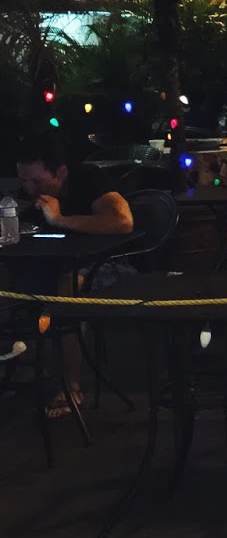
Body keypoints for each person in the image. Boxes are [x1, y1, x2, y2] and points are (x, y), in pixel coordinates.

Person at [14, 130, 135, 414]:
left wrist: (60, 219)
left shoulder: (88, 179)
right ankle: (23, 367)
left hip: (108, 266)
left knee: (66, 287)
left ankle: (71, 386)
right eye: (23, 181)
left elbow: (123, 221)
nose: (29, 188)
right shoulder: (29, 194)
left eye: (37, 181)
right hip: (50, 264)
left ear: (61, 172)